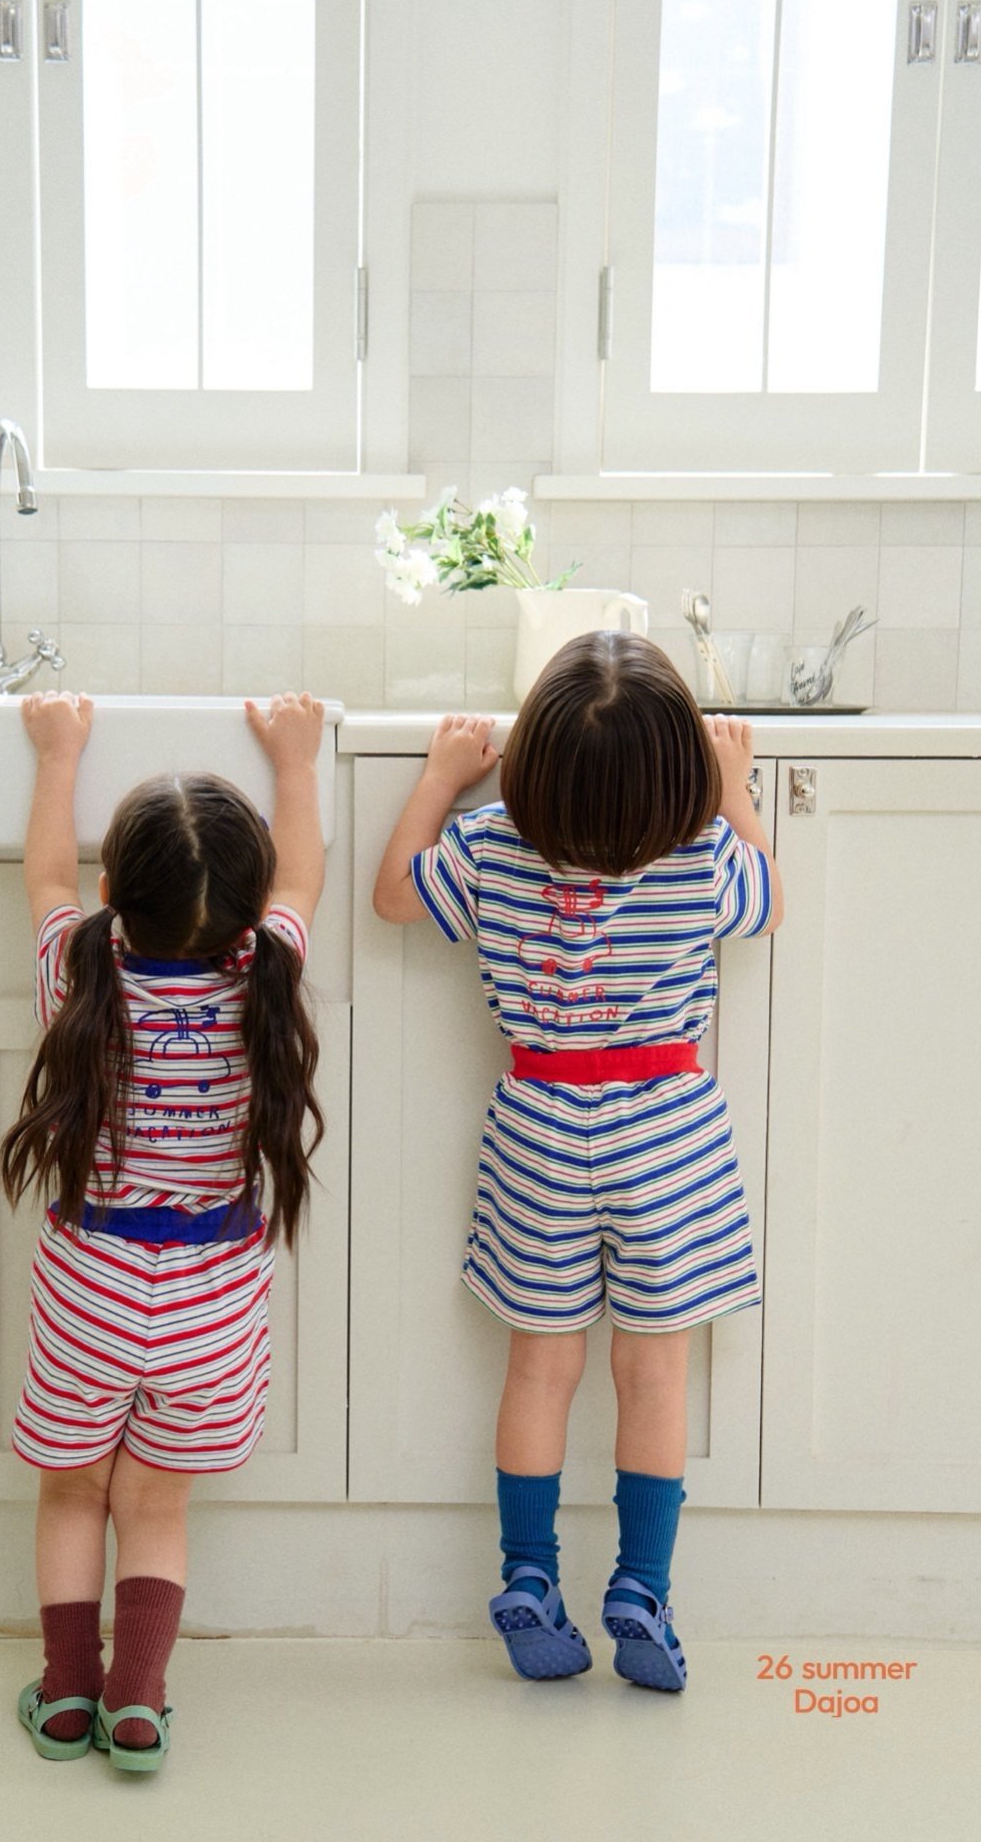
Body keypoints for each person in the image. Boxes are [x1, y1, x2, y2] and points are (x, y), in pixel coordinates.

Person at [372, 632, 783, 1692]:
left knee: (538, 1369)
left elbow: (394, 895)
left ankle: (528, 1571)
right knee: (653, 1374)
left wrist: (438, 779)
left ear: (534, 763)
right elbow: (769, 901)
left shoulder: (489, 845)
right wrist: (735, 791)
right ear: (677, 774)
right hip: (668, 1135)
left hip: (539, 1131)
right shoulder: (701, 854)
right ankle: (641, 1588)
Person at [2, 688, 325, 1769]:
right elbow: (304, 877)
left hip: (89, 1286)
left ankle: (65, 1695)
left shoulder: (79, 972)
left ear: (114, 898)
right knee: (154, 1503)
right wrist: (296, 761)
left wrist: (60, 752)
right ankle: (136, 1700)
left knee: (72, 1493)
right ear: (248, 914)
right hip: (210, 1300)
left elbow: (44, 878)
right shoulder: (266, 976)